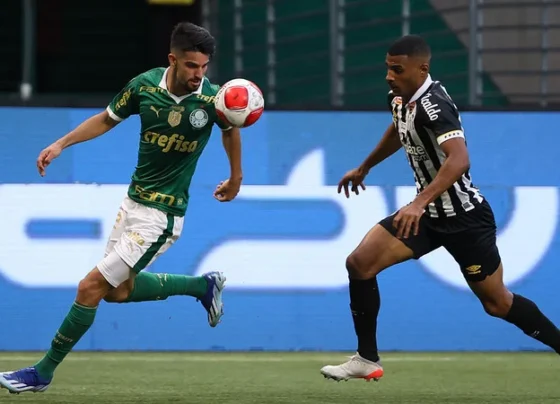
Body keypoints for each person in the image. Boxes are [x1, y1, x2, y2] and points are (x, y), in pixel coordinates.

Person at [0, 22, 241, 394]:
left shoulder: (213, 100)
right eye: (192, 65)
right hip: (133, 203)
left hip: (162, 216)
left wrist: (236, 177)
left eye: (204, 66)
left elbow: (230, 129)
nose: (199, 74)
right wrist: (61, 144)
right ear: (173, 60)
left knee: (90, 287)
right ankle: (202, 285)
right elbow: (106, 119)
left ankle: (42, 373)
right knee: (116, 291)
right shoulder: (145, 86)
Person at [320, 34, 560, 382]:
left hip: (465, 219)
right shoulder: (399, 99)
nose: (389, 76)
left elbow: (459, 159)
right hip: (428, 216)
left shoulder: (435, 105)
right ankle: (366, 359)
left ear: (422, 69)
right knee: (360, 263)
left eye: (397, 69)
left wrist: (418, 203)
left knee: (497, 303)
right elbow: (399, 131)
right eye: (387, 68)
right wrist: (365, 167)